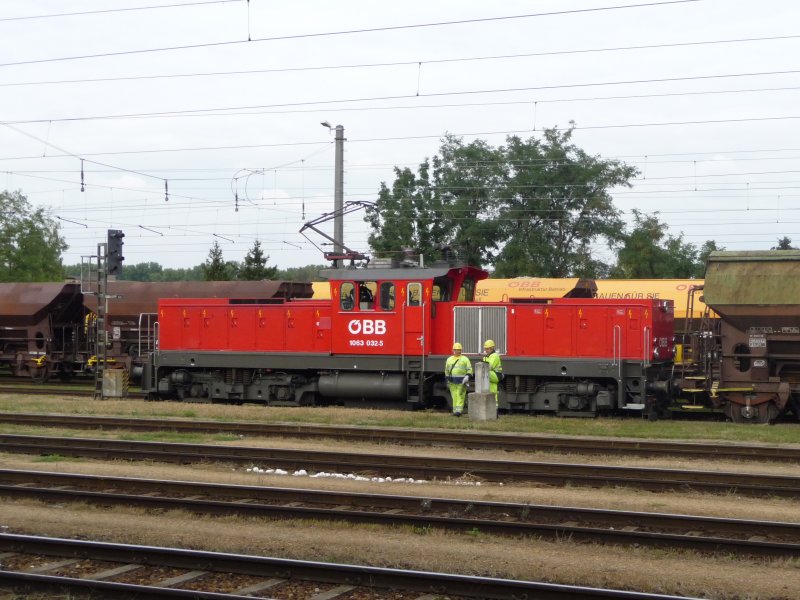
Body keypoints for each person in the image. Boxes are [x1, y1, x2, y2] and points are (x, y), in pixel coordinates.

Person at [445, 342, 472, 416]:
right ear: (453, 350)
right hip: (452, 381)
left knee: (460, 395)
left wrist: (467, 376)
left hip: (462, 381)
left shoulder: (465, 359)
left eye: (459, 350)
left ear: (461, 350)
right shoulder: (449, 359)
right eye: (456, 350)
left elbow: (469, 369)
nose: (457, 351)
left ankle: (458, 411)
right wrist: (447, 378)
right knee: (454, 396)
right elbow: (446, 370)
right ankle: (455, 411)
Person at [482, 339, 503, 405]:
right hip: (492, 375)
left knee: (484, 373)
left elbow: (489, 367)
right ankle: (493, 408)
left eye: (487, 349)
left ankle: (494, 410)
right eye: (485, 349)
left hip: (495, 375)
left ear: (491, 348)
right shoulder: (487, 356)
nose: (486, 350)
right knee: (492, 391)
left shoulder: (495, 356)